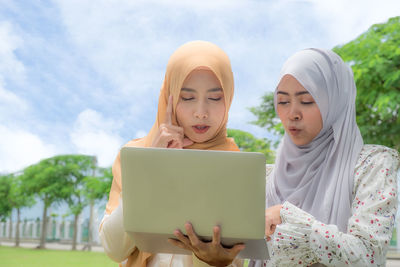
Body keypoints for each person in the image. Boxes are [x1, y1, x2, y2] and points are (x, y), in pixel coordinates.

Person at [99, 41, 245, 267]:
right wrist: (151, 166)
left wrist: (215, 261)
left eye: (215, 98)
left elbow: (236, 256)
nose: (201, 113)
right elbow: (115, 249)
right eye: (187, 98)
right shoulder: (135, 156)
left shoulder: (236, 166)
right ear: (169, 97)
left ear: (229, 99)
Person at [262, 48, 400, 266]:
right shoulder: (270, 178)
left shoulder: (372, 166)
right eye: (283, 101)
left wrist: (288, 216)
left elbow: (368, 256)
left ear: (335, 103)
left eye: (306, 100)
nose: (292, 114)